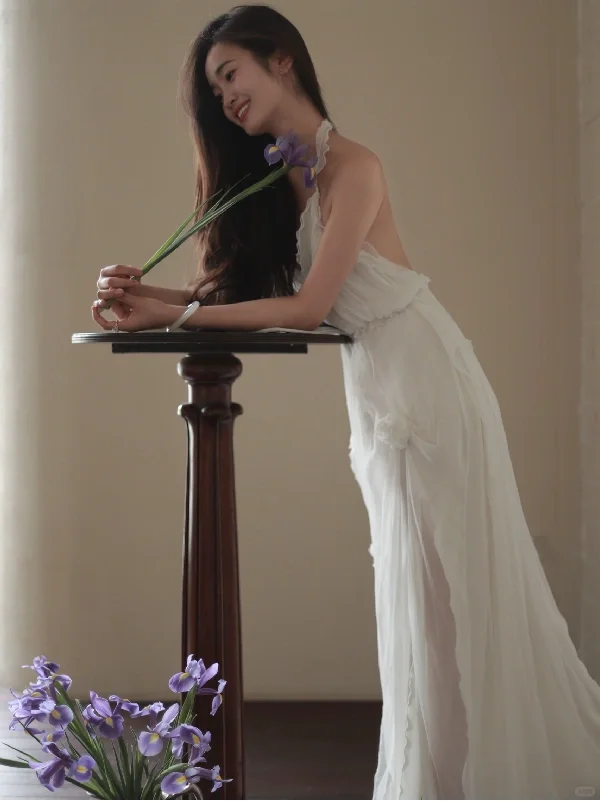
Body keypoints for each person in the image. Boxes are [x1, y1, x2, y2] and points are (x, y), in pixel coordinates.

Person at [92, 5, 600, 799]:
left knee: (457, 595)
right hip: (379, 387)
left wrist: (172, 317)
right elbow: (252, 295)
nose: (225, 96)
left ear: (282, 60)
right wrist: (142, 294)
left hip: (428, 382)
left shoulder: (355, 166)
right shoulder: (280, 176)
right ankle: (440, 779)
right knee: (417, 600)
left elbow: (306, 308)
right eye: (213, 90)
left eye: (230, 73)